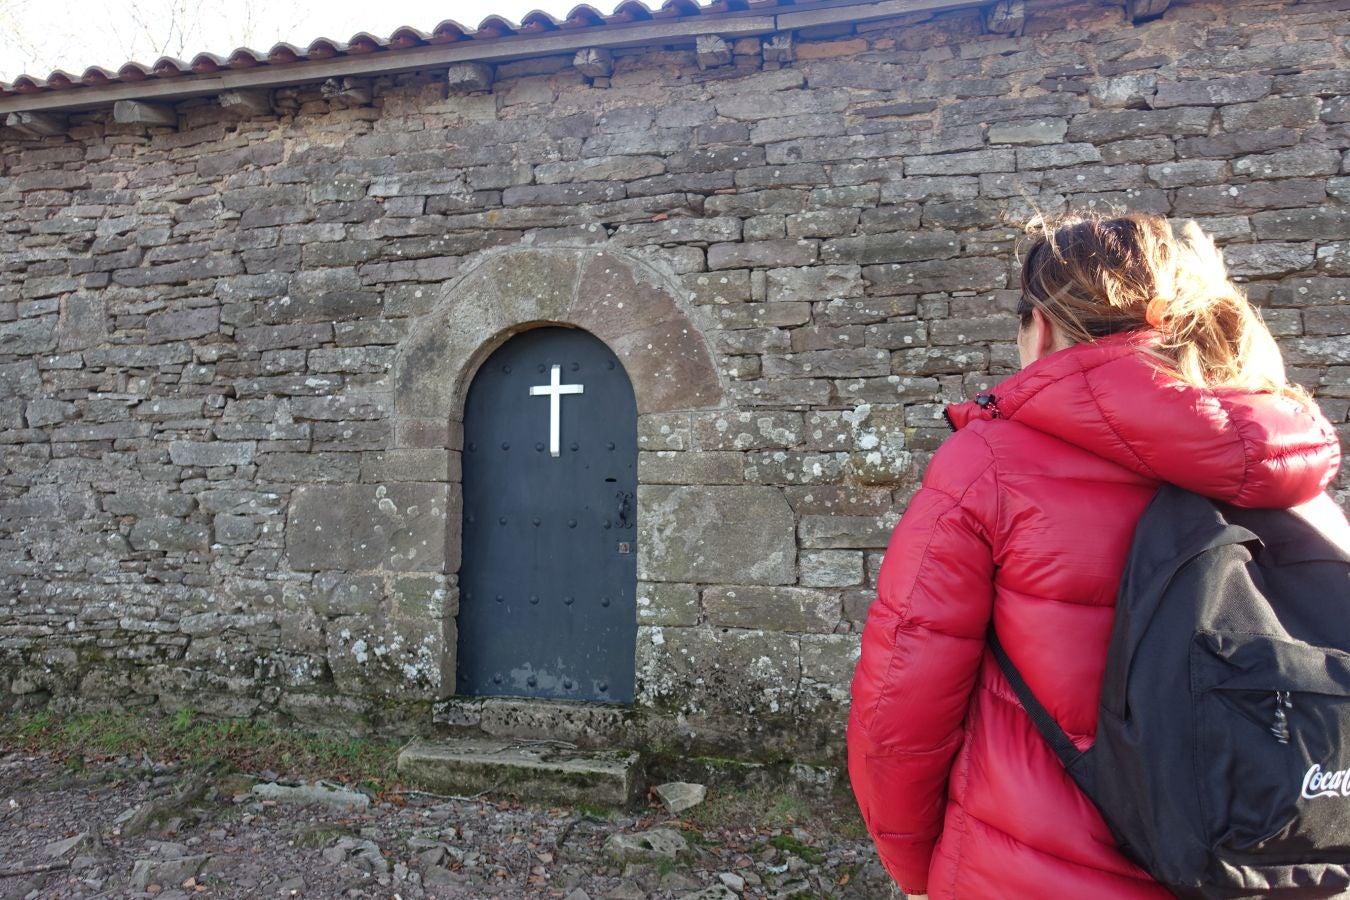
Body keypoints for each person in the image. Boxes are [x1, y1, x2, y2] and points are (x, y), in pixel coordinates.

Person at [847, 212, 1345, 899]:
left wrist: (914, 868)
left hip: (1029, 874)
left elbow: (901, 703)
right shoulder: (1295, 467)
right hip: (1276, 866)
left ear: (1040, 327)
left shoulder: (989, 465)